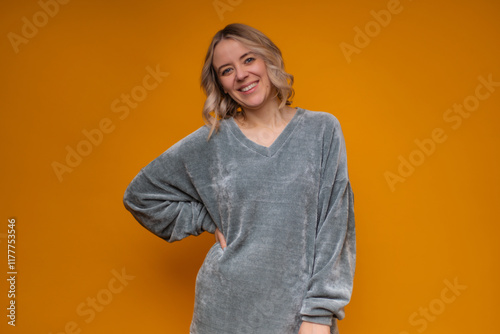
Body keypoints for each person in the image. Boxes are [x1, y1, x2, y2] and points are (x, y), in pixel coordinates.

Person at [123, 23, 356, 334]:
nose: (241, 75)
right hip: (223, 313)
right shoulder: (211, 143)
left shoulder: (322, 130)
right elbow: (140, 196)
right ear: (220, 84)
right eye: (226, 70)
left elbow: (335, 226)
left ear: (268, 60)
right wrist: (207, 219)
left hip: (298, 316)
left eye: (248, 60)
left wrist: (319, 314)